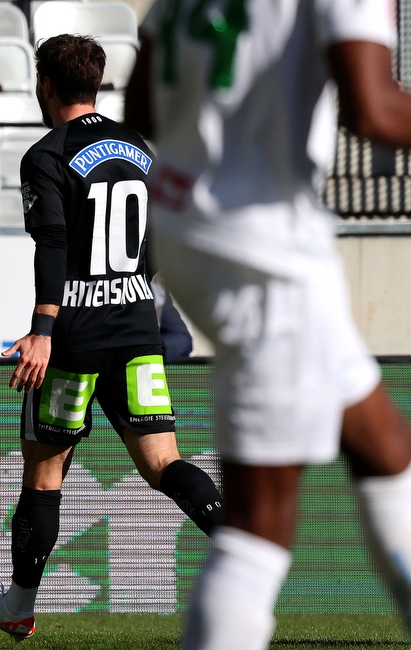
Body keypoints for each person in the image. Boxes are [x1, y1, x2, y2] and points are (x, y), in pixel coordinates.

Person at [124, 0, 411, 646]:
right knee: (258, 528)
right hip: (264, 248)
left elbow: (140, 107)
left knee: (385, 447)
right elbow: (372, 105)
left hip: (191, 232)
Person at [0, 34, 224, 641]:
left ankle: (18, 605)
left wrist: (43, 328)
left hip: (72, 339)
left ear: (45, 84)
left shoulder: (46, 155)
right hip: (137, 332)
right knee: (165, 463)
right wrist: (130, 290)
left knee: (44, 477)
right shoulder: (139, 149)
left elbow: (51, 245)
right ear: (95, 82)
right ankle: (241, 544)